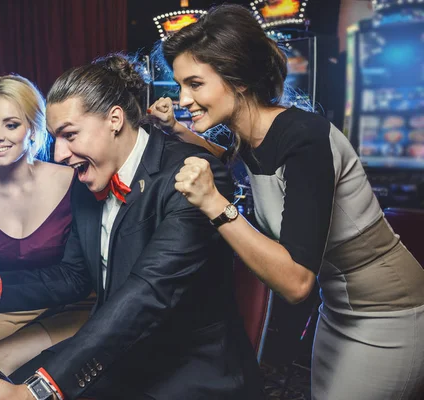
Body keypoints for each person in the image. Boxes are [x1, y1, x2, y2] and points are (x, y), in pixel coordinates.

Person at [148, 4, 424, 399]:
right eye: (180, 87)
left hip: (389, 313)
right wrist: (177, 130)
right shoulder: (251, 137)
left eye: (194, 84)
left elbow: (296, 283)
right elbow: (238, 160)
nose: (183, 98)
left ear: (238, 79)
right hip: (338, 310)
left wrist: (214, 204)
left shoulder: (306, 137)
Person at [0, 54, 263, 399]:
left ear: (114, 119)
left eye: (70, 135)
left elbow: (147, 293)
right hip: (120, 356)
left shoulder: (192, 175)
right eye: (56, 138)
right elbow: (73, 276)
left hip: (188, 371)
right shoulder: (86, 183)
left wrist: (41, 390)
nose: (59, 154)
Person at [0, 74, 92, 374]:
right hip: (11, 309)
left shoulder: (72, 180)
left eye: (11, 124)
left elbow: (80, 275)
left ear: (32, 128)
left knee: (7, 364)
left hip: (72, 305)